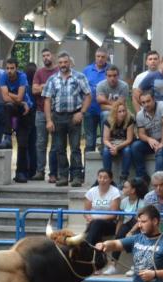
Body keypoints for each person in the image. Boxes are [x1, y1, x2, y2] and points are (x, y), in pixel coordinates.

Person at [42, 51, 90, 188]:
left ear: (70, 63)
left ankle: (76, 176)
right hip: (57, 117)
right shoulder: (52, 79)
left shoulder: (79, 77)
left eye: (65, 62)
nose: (63, 65)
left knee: (75, 148)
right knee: (59, 148)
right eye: (61, 63)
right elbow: (47, 100)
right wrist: (49, 120)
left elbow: (88, 96)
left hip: (74, 116)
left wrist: (82, 112)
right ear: (58, 64)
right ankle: (62, 176)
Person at [129, 89, 163, 180]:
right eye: (143, 102)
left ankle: (158, 180)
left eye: (148, 101)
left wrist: (162, 143)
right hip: (154, 141)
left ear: (154, 99)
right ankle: (142, 177)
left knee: (160, 149)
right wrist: (149, 139)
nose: (146, 104)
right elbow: (141, 134)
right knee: (135, 146)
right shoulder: (140, 114)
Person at [0, 57, 34, 180]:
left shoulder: (22, 77)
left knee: (23, 143)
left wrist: (9, 94)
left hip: (26, 111)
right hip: (15, 107)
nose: (9, 71)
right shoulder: (3, 76)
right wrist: (19, 101)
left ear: (16, 68)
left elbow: (19, 97)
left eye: (12, 68)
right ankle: (7, 136)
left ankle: (21, 173)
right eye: (7, 68)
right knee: (7, 106)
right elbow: (5, 99)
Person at [32, 48, 58, 182]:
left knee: (56, 144)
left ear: (53, 56)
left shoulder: (59, 71)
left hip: (56, 112)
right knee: (40, 143)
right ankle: (40, 171)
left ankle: (53, 173)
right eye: (43, 56)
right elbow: (34, 90)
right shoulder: (39, 72)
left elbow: (58, 89)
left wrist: (42, 86)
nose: (46, 58)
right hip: (40, 112)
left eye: (48, 55)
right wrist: (47, 86)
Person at [81, 48, 109, 156]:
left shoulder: (110, 70)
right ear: (95, 57)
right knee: (89, 139)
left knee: (105, 139)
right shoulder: (87, 70)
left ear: (106, 57)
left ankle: (103, 168)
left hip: (105, 110)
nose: (100, 59)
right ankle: (87, 168)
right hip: (90, 110)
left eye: (103, 57)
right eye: (98, 56)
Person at [83, 168, 121, 245]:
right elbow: (86, 211)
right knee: (95, 227)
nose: (102, 180)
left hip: (109, 224)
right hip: (92, 223)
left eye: (105, 178)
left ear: (110, 179)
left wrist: (96, 219)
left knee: (96, 223)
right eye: (100, 177)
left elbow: (113, 215)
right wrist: (89, 217)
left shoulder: (115, 192)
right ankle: (94, 251)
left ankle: (86, 246)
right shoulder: (91, 191)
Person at [101, 99, 135, 183]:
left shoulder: (129, 120)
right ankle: (107, 176)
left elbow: (129, 139)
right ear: (115, 113)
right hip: (111, 143)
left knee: (127, 150)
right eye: (119, 111)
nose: (122, 113)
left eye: (124, 111)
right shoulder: (108, 121)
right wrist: (112, 147)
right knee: (105, 151)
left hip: (123, 144)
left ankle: (124, 177)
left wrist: (117, 147)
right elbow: (105, 139)